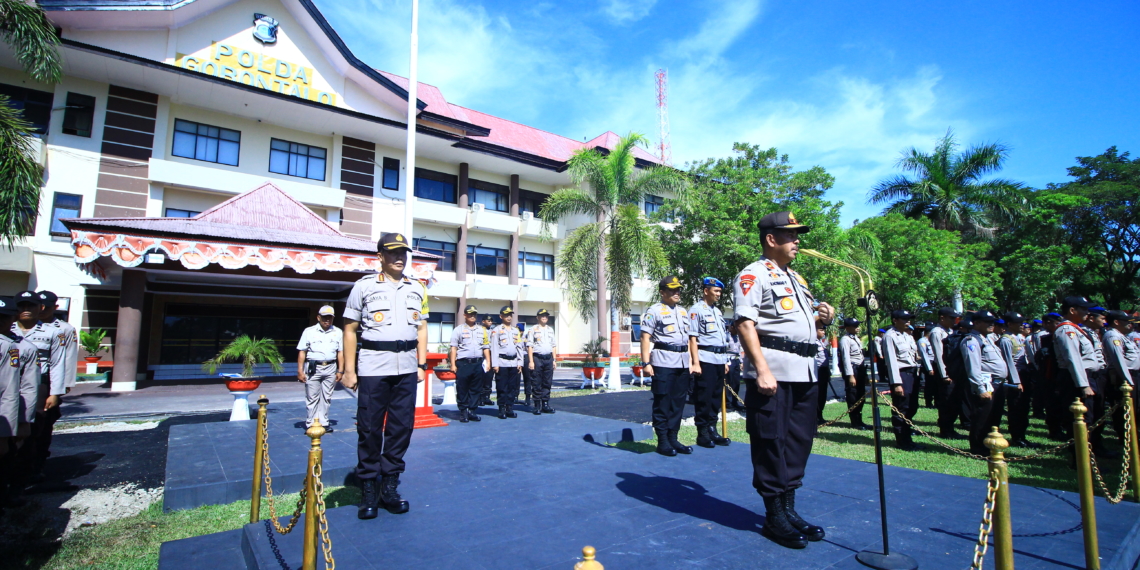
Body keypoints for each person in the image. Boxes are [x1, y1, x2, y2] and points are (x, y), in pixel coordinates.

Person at [732, 211, 834, 549]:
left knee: (798, 441)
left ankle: (789, 510)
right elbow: (746, 325)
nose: (797, 241)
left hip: (804, 370)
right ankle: (774, 515)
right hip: (773, 371)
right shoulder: (752, 274)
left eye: (797, 235)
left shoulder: (797, 279)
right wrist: (761, 370)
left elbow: (801, 323)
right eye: (791, 235)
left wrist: (822, 316)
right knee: (770, 441)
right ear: (771, 239)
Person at [341, 232, 429, 520]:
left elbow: (421, 329)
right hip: (373, 367)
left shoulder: (417, 288)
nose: (399, 257)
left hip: (406, 367)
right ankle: (368, 488)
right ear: (380, 256)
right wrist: (350, 370)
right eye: (392, 252)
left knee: (401, 428)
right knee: (369, 429)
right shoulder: (363, 286)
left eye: (403, 252)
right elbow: (350, 329)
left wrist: (422, 364)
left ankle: (389, 487)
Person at [12, 291, 66, 482]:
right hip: (9, 384)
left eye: (31, 306)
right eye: (21, 306)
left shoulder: (53, 332)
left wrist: (55, 392)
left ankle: (31, 469)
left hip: (38, 384)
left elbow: (58, 363)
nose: (26, 310)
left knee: (36, 430)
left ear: (40, 308)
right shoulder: (7, 330)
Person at [1052, 296, 1110, 456]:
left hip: (1086, 376)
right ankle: (1081, 460)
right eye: (1084, 309)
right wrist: (1083, 384)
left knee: (1090, 418)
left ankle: (1088, 455)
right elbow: (1073, 358)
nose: (1087, 312)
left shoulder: (1077, 328)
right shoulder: (1066, 329)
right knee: (1081, 420)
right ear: (1072, 310)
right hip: (1075, 379)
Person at [642, 276, 693, 457]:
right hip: (663, 361)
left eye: (678, 289)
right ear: (663, 292)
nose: (676, 292)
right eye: (672, 289)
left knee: (678, 403)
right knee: (662, 402)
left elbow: (690, 339)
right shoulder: (654, 311)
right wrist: (646, 362)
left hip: (682, 362)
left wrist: (693, 362)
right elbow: (645, 337)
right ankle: (662, 441)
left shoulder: (683, 312)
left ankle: (673, 438)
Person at [0, 297, 38, 508]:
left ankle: (15, 491)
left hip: (9, 413)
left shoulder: (15, 347)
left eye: (3, 318)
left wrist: (22, 421)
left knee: (16, 457)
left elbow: (13, 390)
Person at [687, 277, 732, 448]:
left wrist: (725, 361)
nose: (719, 294)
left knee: (715, 397)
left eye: (720, 291)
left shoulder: (718, 311)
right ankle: (703, 433)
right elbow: (693, 338)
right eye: (716, 291)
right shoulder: (696, 310)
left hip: (719, 359)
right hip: (705, 358)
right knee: (704, 397)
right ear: (706, 291)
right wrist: (695, 362)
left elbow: (721, 339)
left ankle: (713, 429)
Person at [961, 310, 1008, 456]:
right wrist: (980, 389)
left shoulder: (988, 339)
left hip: (996, 384)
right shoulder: (972, 341)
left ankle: (989, 445)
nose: (991, 324)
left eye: (992, 322)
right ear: (976, 323)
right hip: (985, 385)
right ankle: (978, 448)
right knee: (982, 418)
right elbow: (973, 368)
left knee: (993, 417)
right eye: (987, 322)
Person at [296, 305, 343, 431]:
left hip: (330, 367)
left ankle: (324, 422)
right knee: (312, 397)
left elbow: (340, 353)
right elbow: (302, 352)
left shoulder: (338, 332)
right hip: (313, 367)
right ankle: (311, 423)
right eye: (324, 317)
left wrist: (340, 370)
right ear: (318, 317)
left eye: (330, 318)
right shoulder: (309, 331)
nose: (327, 320)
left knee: (326, 397)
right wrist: (300, 371)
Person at [883, 310, 922, 451]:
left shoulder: (908, 335)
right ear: (895, 320)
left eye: (909, 319)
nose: (908, 321)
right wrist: (896, 383)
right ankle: (902, 440)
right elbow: (891, 361)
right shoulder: (890, 336)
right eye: (904, 319)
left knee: (912, 406)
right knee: (901, 408)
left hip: (912, 373)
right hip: (901, 374)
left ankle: (908, 435)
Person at [449, 306, 490, 423]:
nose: (472, 316)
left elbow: (486, 347)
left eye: (474, 314)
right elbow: (453, 348)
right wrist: (453, 364)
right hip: (464, 363)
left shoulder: (482, 330)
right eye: (470, 314)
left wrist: (488, 362)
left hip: (477, 363)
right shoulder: (458, 330)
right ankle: (463, 411)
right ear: (465, 315)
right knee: (462, 388)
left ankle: (472, 411)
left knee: (476, 389)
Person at [1102, 310, 1138, 442]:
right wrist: (1128, 381)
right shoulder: (1112, 335)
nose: (1130, 324)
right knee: (1123, 409)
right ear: (1116, 322)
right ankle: (1126, 438)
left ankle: (1131, 435)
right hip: (1123, 377)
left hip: (1131, 375)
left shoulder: (1121, 335)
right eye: (1126, 321)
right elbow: (1118, 360)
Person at [928, 307, 961, 438]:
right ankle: (946, 430)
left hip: (953, 369)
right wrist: (944, 374)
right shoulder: (937, 332)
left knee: (954, 401)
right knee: (946, 401)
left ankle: (950, 428)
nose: (954, 320)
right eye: (951, 318)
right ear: (942, 318)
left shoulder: (950, 331)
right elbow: (939, 355)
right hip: (945, 370)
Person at [37, 292, 77, 394]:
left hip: (50, 377)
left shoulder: (65, 329)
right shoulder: (22, 326)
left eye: (47, 307)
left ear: (55, 307)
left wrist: (66, 383)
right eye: (40, 306)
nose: (43, 310)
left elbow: (69, 356)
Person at [489, 306, 524, 419]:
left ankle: (510, 408)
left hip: (513, 362)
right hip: (502, 362)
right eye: (506, 315)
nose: (509, 317)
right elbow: (494, 348)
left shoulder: (515, 331)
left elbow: (519, 347)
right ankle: (501, 409)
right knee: (502, 387)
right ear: (501, 316)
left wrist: (520, 362)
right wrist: (495, 364)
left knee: (512, 387)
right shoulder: (497, 330)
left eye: (510, 315)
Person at [837, 317, 868, 430]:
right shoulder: (845, 340)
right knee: (853, 395)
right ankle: (854, 422)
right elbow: (845, 359)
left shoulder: (855, 338)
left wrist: (865, 375)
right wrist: (850, 376)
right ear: (848, 327)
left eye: (857, 325)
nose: (858, 328)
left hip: (860, 368)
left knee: (861, 395)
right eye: (855, 326)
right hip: (852, 369)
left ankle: (860, 420)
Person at [525, 309, 557, 414]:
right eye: (542, 316)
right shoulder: (533, 329)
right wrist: (531, 361)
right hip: (537, 358)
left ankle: (545, 404)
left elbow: (553, 346)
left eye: (546, 316)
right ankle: (537, 405)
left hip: (548, 358)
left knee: (547, 382)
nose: (544, 318)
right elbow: (529, 346)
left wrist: (554, 360)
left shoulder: (550, 330)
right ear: (537, 317)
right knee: (536, 382)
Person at [726, 321, 746, 413]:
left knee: (736, 382)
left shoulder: (738, 337)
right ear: (732, 327)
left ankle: (735, 401)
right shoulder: (726, 336)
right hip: (729, 360)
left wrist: (741, 362)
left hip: (736, 360)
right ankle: (728, 402)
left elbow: (739, 350)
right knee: (729, 382)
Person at [915, 322, 936, 409]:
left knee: (936, 385)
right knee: (929, 385)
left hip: (935, 364)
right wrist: (929, 368)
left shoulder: (933, 340)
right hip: (928, 364)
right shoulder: (922, 341)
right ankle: (928, 402)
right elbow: (924, 356)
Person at [813, 324, 831, 425]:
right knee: (817, 394)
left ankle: (820, 415)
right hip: (817, 371)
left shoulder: (821, 342)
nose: (823, 332)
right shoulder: (814, 342)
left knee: (823, 394)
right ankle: (815, 416)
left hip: (823, 370)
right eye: (821, 330)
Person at [479, 314, 496, 407]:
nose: (490, 322)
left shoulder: (493, 331)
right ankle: (480, 398)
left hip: (491, 355)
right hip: (482, 355)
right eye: (488, 321)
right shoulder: (480, 330)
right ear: (483, 321)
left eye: (491, 321)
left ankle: (487, 397)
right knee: (482, 377)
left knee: (489, 378)